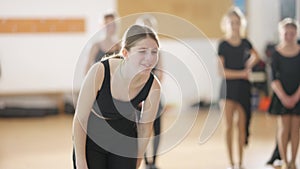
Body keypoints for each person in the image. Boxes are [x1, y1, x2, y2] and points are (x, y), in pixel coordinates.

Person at [72, 24, 161, 169]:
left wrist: (138, 159)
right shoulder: (100, 71)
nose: (149, 58)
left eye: (154, 52)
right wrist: (80, 161)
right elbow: (80, 119)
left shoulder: (153, 85)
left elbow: (145, 127)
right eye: (142, 51)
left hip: (124, 143)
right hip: (92, 141)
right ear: (126, 53)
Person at [217, 7, 260, 169]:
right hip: (227, 89)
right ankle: (231, 162)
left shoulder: (246, 42)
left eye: (237, 22)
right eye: (231, 23)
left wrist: (247, 66)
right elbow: (221, 71)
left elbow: (257, 56)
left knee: (241, 126)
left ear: (241, 24)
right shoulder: (223, 44)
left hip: (243, 88)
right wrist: (242, 73)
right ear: (226, 24)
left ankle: (241, 163)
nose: (234, 26)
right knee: (228, 126)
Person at [268, 18, 300, 169]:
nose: (289, 36)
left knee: (295, 129)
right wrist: (284, 97)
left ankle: (293, 160)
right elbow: (274, 78)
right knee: (283, 128)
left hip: (298, 94)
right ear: (281, 34)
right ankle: (285, 161)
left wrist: (295, 96)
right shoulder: (276, 53)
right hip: (281, 95)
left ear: (296, 34)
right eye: (286, 33)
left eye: (292, 33)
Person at [136, 14, 163, 169]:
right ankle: (145, 161)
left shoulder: (158, 51)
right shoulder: (136, 50)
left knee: (157, 129)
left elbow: (160, 74)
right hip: (137, 95)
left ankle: (154, 161)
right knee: (142, 129)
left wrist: (153, 91)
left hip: (153, 92)